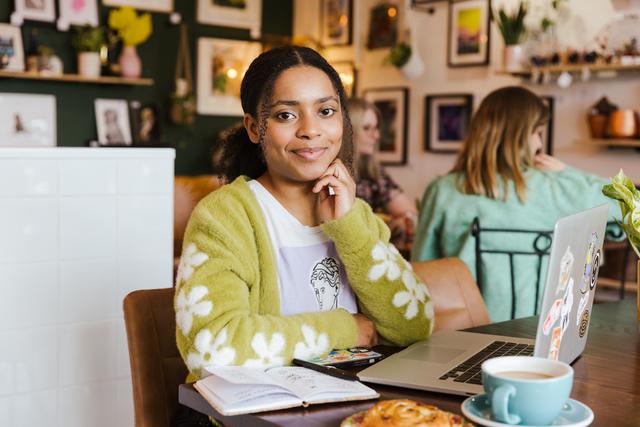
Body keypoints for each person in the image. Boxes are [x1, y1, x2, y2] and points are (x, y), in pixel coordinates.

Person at [175, 45, 434, 386]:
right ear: (255, 128)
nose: (311, 130)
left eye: (326, 111)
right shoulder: (225, 216)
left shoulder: (356, 213)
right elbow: (212, 347)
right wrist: (347, 329)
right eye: (286, 115)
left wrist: (350, 227)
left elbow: (416, 324)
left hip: (357, 408)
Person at [411, 86, 620, 322]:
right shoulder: (553, 188)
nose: (539, 144)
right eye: (537, 133)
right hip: (539, 333)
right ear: (520, 135)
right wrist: (567, 172)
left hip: (462, 332)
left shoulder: (441, 191)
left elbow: (420, 269)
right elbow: (630, 205)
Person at [349, 97, 417, 247]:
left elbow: (409, 213)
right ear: (347, 130)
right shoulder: (326, 171)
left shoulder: (373, 173)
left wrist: (397, 223)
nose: (376, 135)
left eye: (376, 127)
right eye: (367, 128)